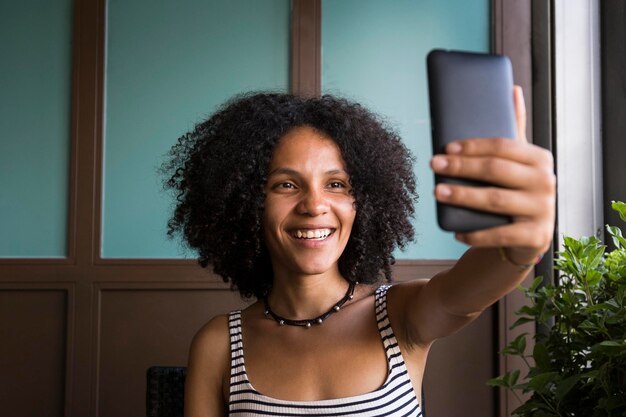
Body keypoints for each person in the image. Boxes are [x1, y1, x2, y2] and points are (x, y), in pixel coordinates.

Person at [164, 87, 555, 416]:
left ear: (363, 203)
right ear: (247, 203)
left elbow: (473, 290)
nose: (314, 205)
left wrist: (523, 242)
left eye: (336, 184)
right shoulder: (219, 343)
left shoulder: (401, 317)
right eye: (285, 185)